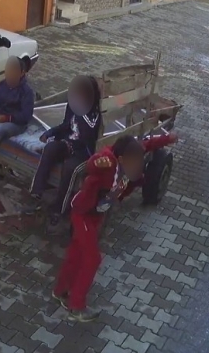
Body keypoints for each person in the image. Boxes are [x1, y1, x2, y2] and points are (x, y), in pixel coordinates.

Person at [52, 132, 179, 322]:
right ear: (121, 158)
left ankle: (60, 291)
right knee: (92, 259)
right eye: (133, 162)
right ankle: (76, 307)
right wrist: (98, 162)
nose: (137, 165)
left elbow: (148, 144)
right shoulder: (108, 162)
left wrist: (168, 139)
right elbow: (92, 165)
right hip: (83, 214)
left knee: (76, 254)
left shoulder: (132, 153)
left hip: (96, 215)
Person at [22, 75, 102, 231]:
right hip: (69, 144)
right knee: (50, 149)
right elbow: (66, 125)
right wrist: (51, 133)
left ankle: (59, 209)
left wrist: (82, 112)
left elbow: (88, 135)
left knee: (69, 168)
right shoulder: (72, 105)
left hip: (83, 152)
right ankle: (36, 192)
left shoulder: (94, 114)